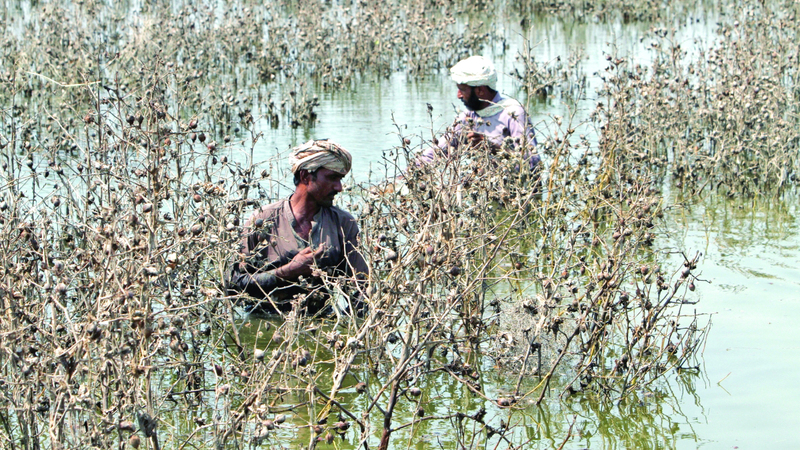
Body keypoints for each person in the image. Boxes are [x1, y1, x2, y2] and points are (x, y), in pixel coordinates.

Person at [227, 139, 368, 315]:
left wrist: (347, 331)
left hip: (319, 328)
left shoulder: (343, 224)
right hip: (265, 326)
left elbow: (362, 289)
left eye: (340, 179)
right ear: (305, 176)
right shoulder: (263, 219)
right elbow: (233, 286)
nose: (339, 187)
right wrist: (289, 271)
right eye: (332, 178)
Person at [418, 55, 540, 170]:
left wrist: (492, 148)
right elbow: (435, 153)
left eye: (462, 90)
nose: (458, 95)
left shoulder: (513, 113)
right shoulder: (467, 118)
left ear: (480, 90)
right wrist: (408, 174)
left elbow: (532, 162)